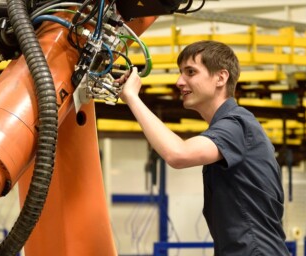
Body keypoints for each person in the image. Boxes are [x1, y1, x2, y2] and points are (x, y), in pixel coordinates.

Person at [117, 40, 289, 255]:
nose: (180, 81)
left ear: (221, 77)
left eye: (191, 72)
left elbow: (178, 155)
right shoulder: (230, 127)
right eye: (181, 73)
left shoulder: (237, 124)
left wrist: (132, 97)